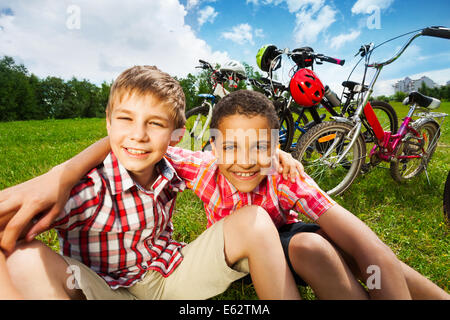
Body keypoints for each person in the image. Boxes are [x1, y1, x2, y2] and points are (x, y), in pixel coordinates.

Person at [0, 66, 304, 300]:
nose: (139, 135)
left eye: (155, 124)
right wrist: (61, 175)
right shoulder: (85, 190)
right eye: (125, 120)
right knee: (23, 259)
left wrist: (274, 150)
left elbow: (233, 154)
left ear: (176, 134)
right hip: (104, 290)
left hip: (167, 277)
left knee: (255, 220)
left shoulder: (173, 163)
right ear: (108, 123)